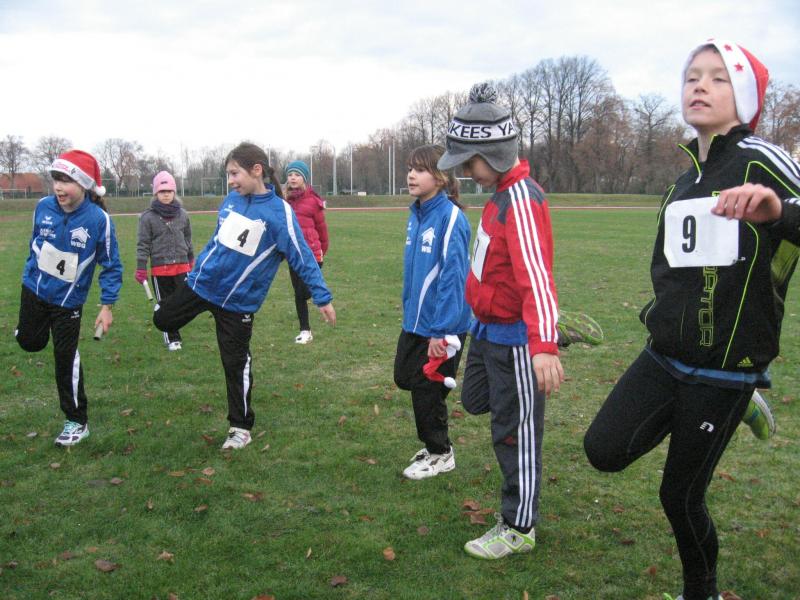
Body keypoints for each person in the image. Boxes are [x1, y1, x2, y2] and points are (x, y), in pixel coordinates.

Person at [583, 40, 800, 600]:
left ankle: (700, 592)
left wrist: (778, 211)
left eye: (718, 78)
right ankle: (737, 409)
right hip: (665, 355)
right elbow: (670, 268)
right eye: (692, 76)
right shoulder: (683, 183)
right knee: (603, 450)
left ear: (744, 96)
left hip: (725, 367)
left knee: (679, 496)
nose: (700, 85)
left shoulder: (762, 160)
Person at [438, 83, 564, 559]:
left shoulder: (522, 200)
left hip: (516, 342)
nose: (466, 173)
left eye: (469, 163)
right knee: (475, 400)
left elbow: (536, 275)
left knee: (515, 433)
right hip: (487, 331)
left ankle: (518, 526)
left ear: (493, 154)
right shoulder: (498, 197)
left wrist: (543, 344)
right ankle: (517, 404)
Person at [153, 143, 336, 450]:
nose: (231, 181)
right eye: (228, 174)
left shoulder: (279, 212)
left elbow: (302, 256)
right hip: (202, 285)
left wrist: (322, 297)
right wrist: (198, 267)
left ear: (256, 170)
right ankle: (173, 312)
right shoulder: (231, 200)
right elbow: (217, 240)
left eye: (234, 173)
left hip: (237, 303)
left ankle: (240, 427)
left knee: (234, 363)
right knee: (162, 319)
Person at [14, 150, 122, 446]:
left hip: (68, 305)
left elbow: (112, 266)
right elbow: (34, 244)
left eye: (67, 181)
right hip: (34, 290)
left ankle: (76, 421)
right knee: (29, 342)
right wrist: (30, 272)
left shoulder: (99, 220)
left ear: (84, 185)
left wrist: (107, 306)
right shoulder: (42, 207)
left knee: (65, 358)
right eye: (56, 180)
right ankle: (26, 328)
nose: (59, 188)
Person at [393, 144, 471, 480]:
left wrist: (442, 331)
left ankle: (440, 452)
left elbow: (453, 278)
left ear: (440, 177)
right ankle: (434, 439)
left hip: (442, 325)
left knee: (426, 389)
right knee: (405, 377)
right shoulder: (417, 214)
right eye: (410, 168)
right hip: (416, 321)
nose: (412, 175)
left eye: (421, 169)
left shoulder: (450, 218)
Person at [135, 170, 194, 351]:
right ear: (155, 193)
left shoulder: (183, 215)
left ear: (174, 192)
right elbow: (143, 244)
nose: (166, 194)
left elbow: (188, 239)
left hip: (182, 267)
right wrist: (141, 267)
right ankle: (172, 338)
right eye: (162, 191)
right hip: (160, 270)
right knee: (166, 304)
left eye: (169, 191)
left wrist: (191, 259)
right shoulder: (147, 218)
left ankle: (172, 324)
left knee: (181, 302)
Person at [283, 160, 329, 344]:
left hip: (313, 255)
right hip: (293, 255)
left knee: (304, 291)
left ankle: (317, 291)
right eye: (290, 175)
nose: (293, 178)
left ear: (304, 178)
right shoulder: (284, 201)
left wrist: (322, 250)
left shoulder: (313, 201)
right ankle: (305, 331)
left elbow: (322, 229)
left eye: (297, 175)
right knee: (298, 293)